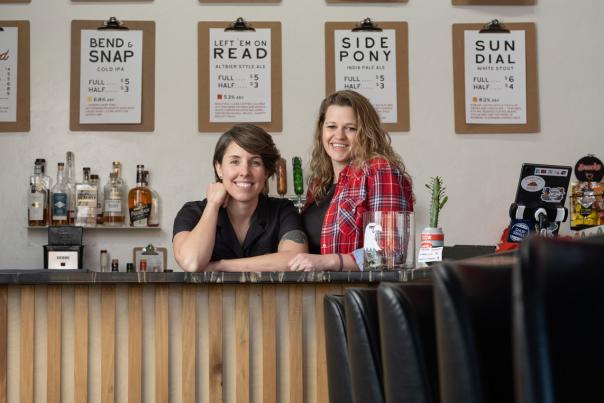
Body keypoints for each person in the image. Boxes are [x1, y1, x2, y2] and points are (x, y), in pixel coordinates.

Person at [288, 90, 413, 272]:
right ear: (321, 130)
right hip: (317, 292)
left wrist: (328, 261)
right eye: (332, 126)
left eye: (350, 128)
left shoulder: (379, 171)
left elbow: (390, 252)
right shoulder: (319, 183)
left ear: (366, 133)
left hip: (359, 295)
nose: (339, 136)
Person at [173, 124, 308, 272]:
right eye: (235, 161)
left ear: (267, 172)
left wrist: (221, 266)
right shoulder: (192, 212)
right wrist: (212, 204)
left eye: (255, 162)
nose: (244, 172)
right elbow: (191, 263)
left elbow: (297, 260)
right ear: (219, 168)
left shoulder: (282, 210)